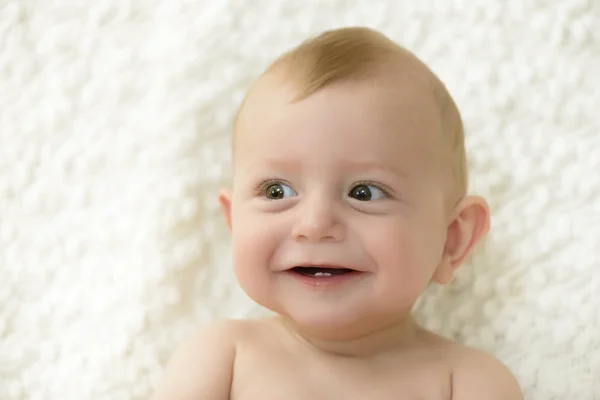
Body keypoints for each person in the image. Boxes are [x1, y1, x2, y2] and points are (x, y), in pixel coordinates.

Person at [151, 26, 523, 399]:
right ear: (234, 223)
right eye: (276, 191)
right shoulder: (221, 357)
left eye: (365, 193)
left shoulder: (468, 382)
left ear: (452, 239)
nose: (314, 225)